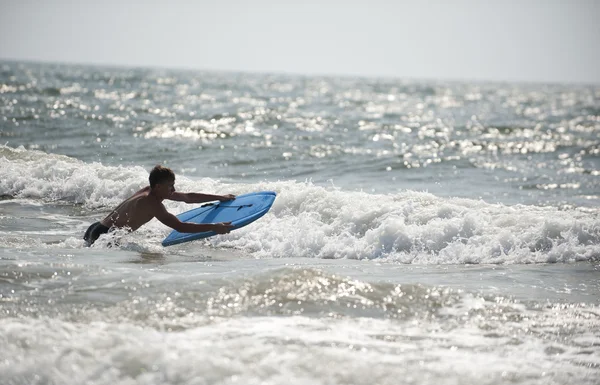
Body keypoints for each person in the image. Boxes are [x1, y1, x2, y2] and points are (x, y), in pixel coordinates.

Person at [83, 165, 235, 246]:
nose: (173, 190)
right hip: (103, 235)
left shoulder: (149, 191)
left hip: (96, 228)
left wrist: (220, 197)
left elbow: (188, 197)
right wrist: (214, 226)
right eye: (170, 186)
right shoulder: (152, 203)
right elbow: (180, 227)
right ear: (158, 187)